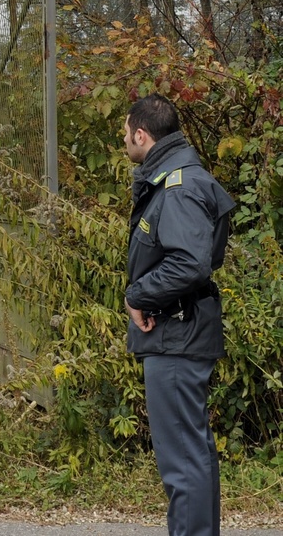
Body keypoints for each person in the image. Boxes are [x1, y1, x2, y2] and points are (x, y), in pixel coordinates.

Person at [123, 93, 234, 536]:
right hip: (179, 332)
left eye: (125, 133)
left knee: (183, 462)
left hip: (176, 334)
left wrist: (138, 296)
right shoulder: (176, 178)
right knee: (192, 454)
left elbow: (190, 263)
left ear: (141, 135)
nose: (123, 140)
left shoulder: (179, 186)